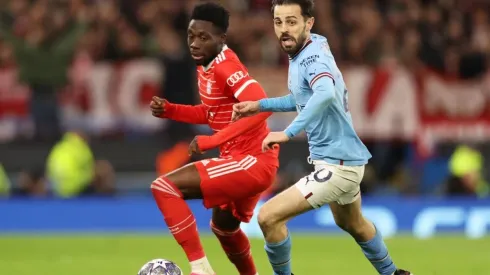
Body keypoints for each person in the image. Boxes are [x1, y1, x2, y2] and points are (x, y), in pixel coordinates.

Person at [232, 1, 412, 275]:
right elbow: (303, 97)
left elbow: (325, 93)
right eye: (278, 22)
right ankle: (394, 273)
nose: (284, 30)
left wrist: (288, 132)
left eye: (291, 22)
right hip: (345, 159)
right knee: (353, 223)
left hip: (337, 166)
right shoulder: (310, 48)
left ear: (309, 23)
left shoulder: (312, 57)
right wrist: (260, 105)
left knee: (268, 217)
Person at [149, 3, 279, 275]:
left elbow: (262, 107)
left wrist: (212, 141)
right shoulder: (205, 64)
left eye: (203, 38)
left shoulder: (225, 67)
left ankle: (200, 268)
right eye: (191, 36)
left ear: (222, 39)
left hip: (251, 161)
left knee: (164, 187)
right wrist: (171, 110)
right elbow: (213, 113)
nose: (194, 44)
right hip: (244, 160)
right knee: (224, 227)